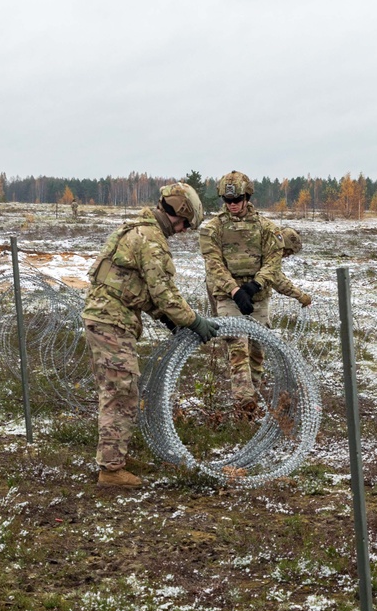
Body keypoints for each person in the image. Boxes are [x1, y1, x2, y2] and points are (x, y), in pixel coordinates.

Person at [82, 182, 219, 489]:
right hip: (111, 322)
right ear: (178, 213)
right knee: (121, 392)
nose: (184, 230)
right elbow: (164, 293)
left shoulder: (137, 229)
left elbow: (136, 289)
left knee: (119, 389)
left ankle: (116, 456)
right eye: (185, 223)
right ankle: (111, 470)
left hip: (106, 318)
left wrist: (167, 320)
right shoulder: (152, 241)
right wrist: (194, 321)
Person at [199, 170, 312, 414]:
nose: (232, 205)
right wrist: (235, 290)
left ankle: (253, 398)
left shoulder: (267, 229)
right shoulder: (212, 229)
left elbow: (273, 263)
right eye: (227, 201)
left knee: (257, 353)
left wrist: (255, 285)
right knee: (238, 349)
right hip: (228, 298)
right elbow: (214, 264)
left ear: (247, 197)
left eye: (237, 199)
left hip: (259, 299)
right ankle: (245, 406)